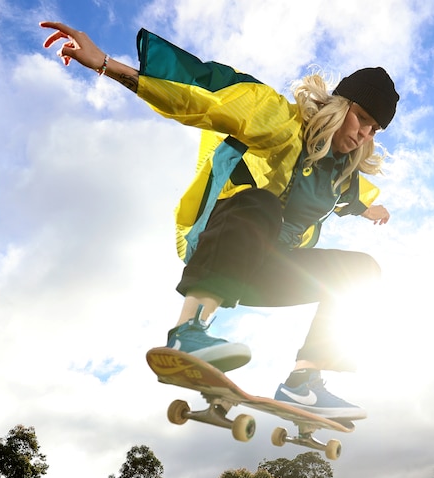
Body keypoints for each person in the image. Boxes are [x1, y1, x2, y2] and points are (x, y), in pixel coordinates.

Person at [40, 21, 399, 420]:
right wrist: (107, 66)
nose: (365, 134)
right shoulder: (281, 123)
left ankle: (303, 386)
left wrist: (370, 210)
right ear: (340, 106)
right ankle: (188, 333)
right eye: (362, 118)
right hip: (223, 243)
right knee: (261, 202)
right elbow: (204, 98)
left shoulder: (342, 173)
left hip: (270, 270)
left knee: (362, 271)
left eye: (374, 130)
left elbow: (350, 198)